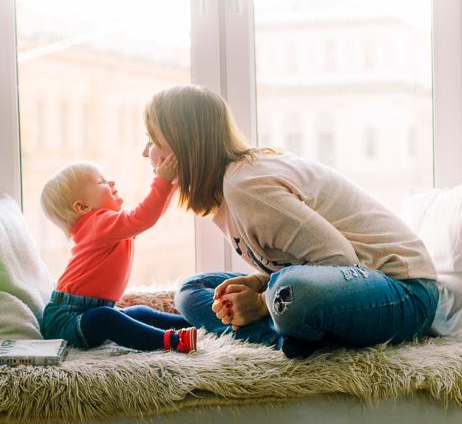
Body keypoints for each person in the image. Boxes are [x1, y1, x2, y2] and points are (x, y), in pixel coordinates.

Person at [141, 85, 438, 358]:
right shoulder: (226, 194)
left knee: (291, 292)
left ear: (185, 147)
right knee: (193, 290)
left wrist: (260, 302)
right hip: (342, 285)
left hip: (404, 292)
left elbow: (340, 260)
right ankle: (288, 338)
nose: (146, 152)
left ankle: (284, 331)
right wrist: (261, 284)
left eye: (154, 141)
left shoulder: (246, 186)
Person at [40, 157, 197, 353]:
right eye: (101, 182)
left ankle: (194, 324)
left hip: (88, 310)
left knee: (139, 312)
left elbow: (149, 217)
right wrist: (162, 181)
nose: (111, 182)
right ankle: (172, 341)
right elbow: (143, 217)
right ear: (82, 207)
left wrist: (172, 186)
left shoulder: (107, 226)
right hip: (67, 320)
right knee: (106, 318)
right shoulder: (97, 224)